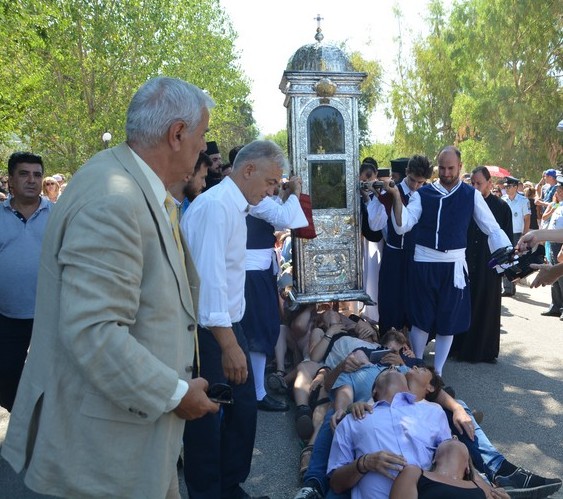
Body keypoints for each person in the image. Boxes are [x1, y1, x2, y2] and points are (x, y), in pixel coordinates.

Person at [1, 77, 219, 499]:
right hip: (107, 452)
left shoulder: (129, 184)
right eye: (202, 135)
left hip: (133, 435)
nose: (203, 150)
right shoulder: (113, 197)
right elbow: (94, 331)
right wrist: (176, 394)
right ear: (177, 134)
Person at [182, 139, 285, 499]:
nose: (273, 191)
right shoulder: (215, 208)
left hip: (227, 326)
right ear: (248, 170)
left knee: (242, 413)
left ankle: (229, 485)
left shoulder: (233, 207)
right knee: (207, 418)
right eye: (271, 182)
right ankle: (209, 491)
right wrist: (228, 345)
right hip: (210, 333)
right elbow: (208, 283)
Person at [388, 146, 512, 375]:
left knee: (448, 319)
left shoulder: (471, 195)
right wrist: (396, 197)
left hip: (454, 265)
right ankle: (417, 366)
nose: (446, 173)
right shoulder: (422, 194)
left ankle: (438, 372)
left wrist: (506, 259)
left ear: (460, 166)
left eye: (451, 168)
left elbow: (491, 227)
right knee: (420, 319)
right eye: (442, 168)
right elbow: (403, 224)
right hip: (424, 262)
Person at [242, 174, 307, 412]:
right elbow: (284, 217)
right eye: (269, 182)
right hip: (253, 271)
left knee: (263, 327)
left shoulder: (255, 196)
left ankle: (255, 389)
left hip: (258, 269)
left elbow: (278, 217)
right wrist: (295, 193)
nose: (272, 187)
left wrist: (285, 194)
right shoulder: (253, 197)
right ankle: (256, 392)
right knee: (258, 330)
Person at [0, 152, 53, 412]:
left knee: (52, 378)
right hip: (7, 316)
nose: (32, 180)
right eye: (24, 174)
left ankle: (46, 427)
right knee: (6, 376)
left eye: (37, 174)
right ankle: (22, 418)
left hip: (50, 315)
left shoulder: (58, 215)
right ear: (10, 180)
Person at [452, 166, 513, 362]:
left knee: (486, 306)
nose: (476, 187)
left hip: (489, 264)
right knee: (465, 304)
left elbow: (506, 239)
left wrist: (504, 266)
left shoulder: (502, 207)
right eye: (473, 183)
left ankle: (484, 351)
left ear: (490, 184)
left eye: (480, 183)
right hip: (468, 261)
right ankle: (460, 347)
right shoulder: (465, 202)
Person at [374, 155, 433, 335]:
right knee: (391, 300)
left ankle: (411, 347)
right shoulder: (392, 191)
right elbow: (376, 225)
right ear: (406, 172)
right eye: (413, 180)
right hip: (394, 255)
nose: (416, 186)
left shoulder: (427, 195)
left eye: (421, 182)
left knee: (415, 302)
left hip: (417, 256)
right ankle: (389, 341)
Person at [390, 439, 496, 499]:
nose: (454, 438)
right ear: (433, 459)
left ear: (467, 467)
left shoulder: (480, 486)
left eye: (459, 440)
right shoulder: (413, 473)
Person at [501, 176, 530, 297]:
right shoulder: (503, 199)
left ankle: (513, 285)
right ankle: (507, 288)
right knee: (505, 259)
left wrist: (524, 236)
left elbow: (527, 219)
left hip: (517, 233)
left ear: (515, 187)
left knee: (515, 260)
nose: (506, 188)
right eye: (505, 186)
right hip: (505, 233)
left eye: (508, 186)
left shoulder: (523, 200)